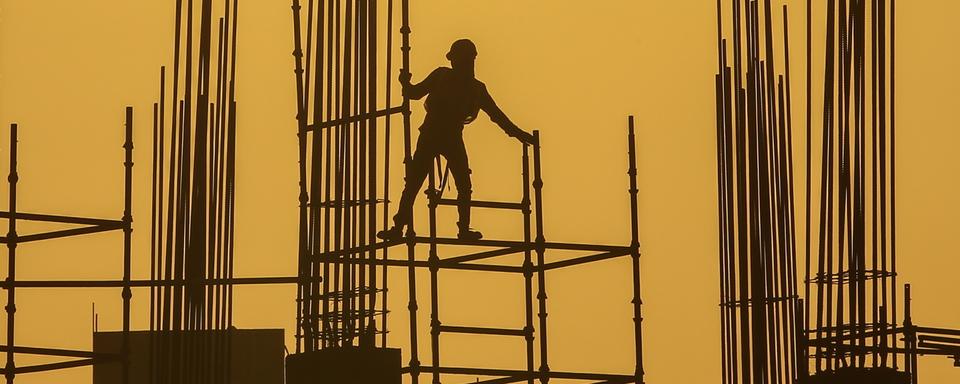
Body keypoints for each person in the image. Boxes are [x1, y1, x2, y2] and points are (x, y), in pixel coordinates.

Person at [377, 39, 531, 241]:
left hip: (450, 138)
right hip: (431, 135)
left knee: (463, 184)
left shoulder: (476, 88)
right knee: (414, 182)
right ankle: (398, 227)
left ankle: (463, 229)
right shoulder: (442, 75)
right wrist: (404, 82)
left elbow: (498, 117)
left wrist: (520, 135)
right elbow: (413, 93)